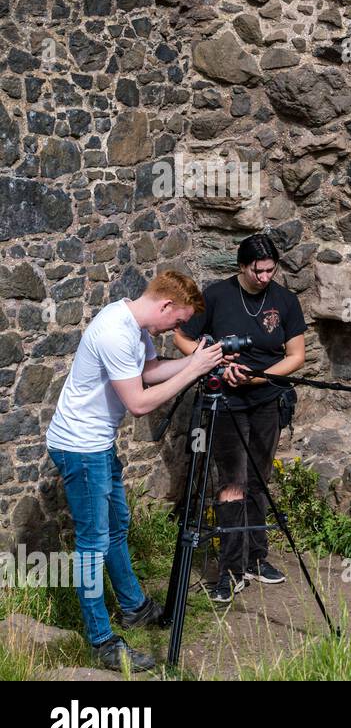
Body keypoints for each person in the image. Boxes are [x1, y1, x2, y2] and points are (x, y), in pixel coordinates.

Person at [46, 271, 227, 671]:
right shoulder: (114, 330)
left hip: (96, 444)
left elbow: (148, 370)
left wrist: (192, 361)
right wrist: (193, 371)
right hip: (80, 447)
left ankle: (134, 607)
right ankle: (101, 642)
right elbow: (140, 402)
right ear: (164, 305)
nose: (176, 328)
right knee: (92, 545)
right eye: (178, 320)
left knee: (116, 528)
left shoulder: (133, 324)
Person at [174, 233, 306, 604]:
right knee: (232, 482)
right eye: (257, 270)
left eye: (270, 269)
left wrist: (259, 376)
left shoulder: (284, 300)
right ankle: (230, 569)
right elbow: (182, 339)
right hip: (225, 402)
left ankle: (256, 558)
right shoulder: (216, 294)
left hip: (267, 398)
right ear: (242, 267)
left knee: (259, 480)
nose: (265, 276)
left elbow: (296, 355)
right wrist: (214, 360)